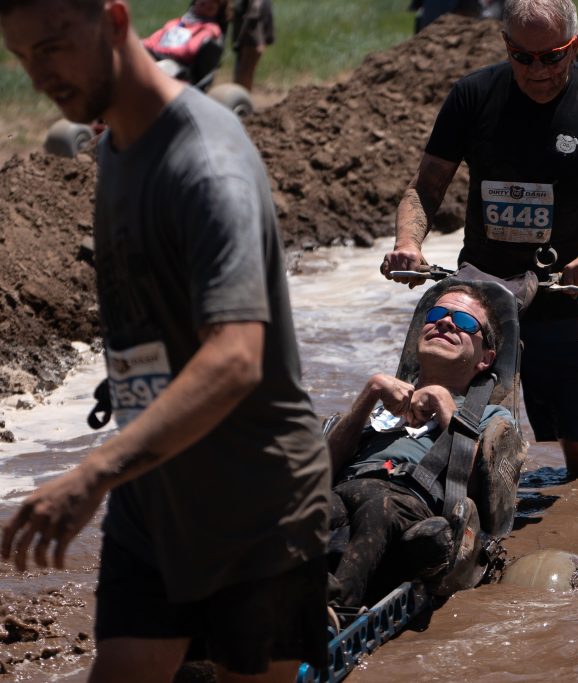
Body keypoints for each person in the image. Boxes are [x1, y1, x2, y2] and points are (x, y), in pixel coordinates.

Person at [0, 1, 331, 681]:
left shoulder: (206, 165)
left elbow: (237, 356)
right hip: (153, 491)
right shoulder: (117, 145)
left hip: (255, 504)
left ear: (114, 21)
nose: (40, 75)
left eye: (55, 47)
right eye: (24, 56)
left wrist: (93, 470)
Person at [383, 0, 578, 477]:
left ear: (575, 45)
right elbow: (424, 188)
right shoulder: (472, 95)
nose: (537, 69)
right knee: (448, 427)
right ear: (506, 45)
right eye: (522, 56)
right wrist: (408, 243)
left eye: (552, 55)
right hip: (483, 295)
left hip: (570, 291)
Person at [325, 286, 511, 610]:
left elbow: (480, 488)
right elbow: (322, 471)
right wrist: (370, 392)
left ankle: (336, 610)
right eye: (437, 315)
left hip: (409, 502)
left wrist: (444, 404)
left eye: (465, 323)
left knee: (378, 505)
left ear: (486, 359)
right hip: (345, 490)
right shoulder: (382, 399)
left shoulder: (491, 416)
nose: (446, 324)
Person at [143, 0, 223, 66]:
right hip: (159, 59)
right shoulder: (176, 22)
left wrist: (158, 50)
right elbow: (150, 41)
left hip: (179, 69)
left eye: (214, 2)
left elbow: (189, 51)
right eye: (204, 2)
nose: (209, 3)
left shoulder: (210, 28)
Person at [231, 0, 273, 91]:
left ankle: (241, 97)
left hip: (252, 43)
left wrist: (261, 42)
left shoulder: (260, 3)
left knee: (244, 75)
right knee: (241, 73)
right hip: (245, 42)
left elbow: (258, 21)